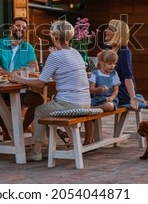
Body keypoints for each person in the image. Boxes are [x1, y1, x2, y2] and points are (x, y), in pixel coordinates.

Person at [10, 20, 91, 161]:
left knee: (39, 111)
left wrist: (19, 79)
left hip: (70, 104)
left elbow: (40, 83)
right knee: (48, 108)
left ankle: (36, 152)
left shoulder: (55, 56)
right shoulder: (75, 53)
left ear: (53, 36)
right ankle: (49, 148)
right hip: (85, 101)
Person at [0, 17, 44, 140]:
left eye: (24, 28)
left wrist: (19, 74)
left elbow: (34, 67)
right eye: (18, 26)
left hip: (21, 88)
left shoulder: (28, 47)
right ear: (11, 28)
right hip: (1, 87)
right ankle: (8, 133)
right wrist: (11, 75)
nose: (21, 29)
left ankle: (19, 132)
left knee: (38, 100)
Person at [104, 19, 147, 110]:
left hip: (121, 92)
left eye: (109, 29)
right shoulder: (108, 51)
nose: (105, 31)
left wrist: (132, 97)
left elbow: (128, 77)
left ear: (117, 33)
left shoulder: (124, 52)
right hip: (109, 89)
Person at [83, 49, 121, 145]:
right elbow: (91, 90)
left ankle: (94, 109)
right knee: (86, 114)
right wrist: (99, 89)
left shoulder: (114, 74)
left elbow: (116, 90)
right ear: (101, 62)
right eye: (109, 64)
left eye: (114, 64)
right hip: (97, 99)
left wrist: (112, 98)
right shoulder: (95, 73)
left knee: (109, 106)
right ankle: (88, 140)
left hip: (109, 99)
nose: (112, 66)